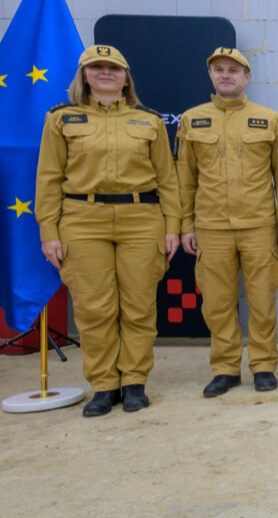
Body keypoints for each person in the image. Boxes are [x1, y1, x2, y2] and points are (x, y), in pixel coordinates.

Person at [35, 45, 181, 417]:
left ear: (126, 77)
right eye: (96, 67)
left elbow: (167, 179)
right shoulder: (61, 119)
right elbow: (49, 178)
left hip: (141, 218)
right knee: (94, 308)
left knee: (138, 304)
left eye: (113, 68)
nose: (105, 73)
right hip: (83, 218)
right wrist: (48, 230)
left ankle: (133, 382)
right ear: (84, 75)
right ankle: (103, 385)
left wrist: (172, 227)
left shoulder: (147, 121)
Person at [178, 47, 278, 397]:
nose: (226, 75)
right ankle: (225, 367)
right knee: (217, 302)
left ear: (247, 77)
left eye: (233, 70)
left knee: (261, 299)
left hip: (258, 224)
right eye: (220, 70)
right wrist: (185, 225)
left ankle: (263, 364)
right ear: (211, 75)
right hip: (211, 227)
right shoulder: (192, 120)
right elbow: (184, 179)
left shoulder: (269, 119)